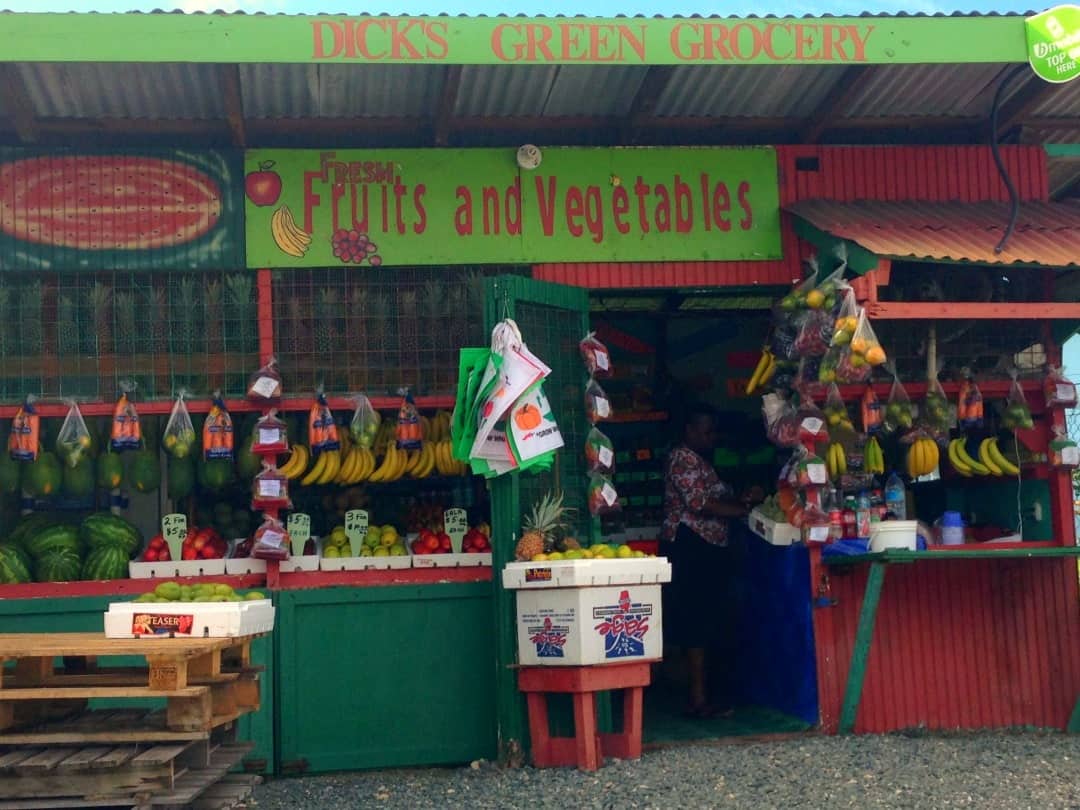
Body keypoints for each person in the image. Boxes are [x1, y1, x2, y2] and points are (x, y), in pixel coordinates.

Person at [662, 404, 750, 718]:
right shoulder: (682, 459)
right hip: (691, 546)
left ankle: (706, 693)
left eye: (712, 430)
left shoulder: (700, 461)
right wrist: (741, 510)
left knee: (708, 617)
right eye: (705, 430)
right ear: (689, 431)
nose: (711, 437)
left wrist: (741, 500)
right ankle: (697, 699)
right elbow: (698, 502)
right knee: (696, 620)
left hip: (707, 547)